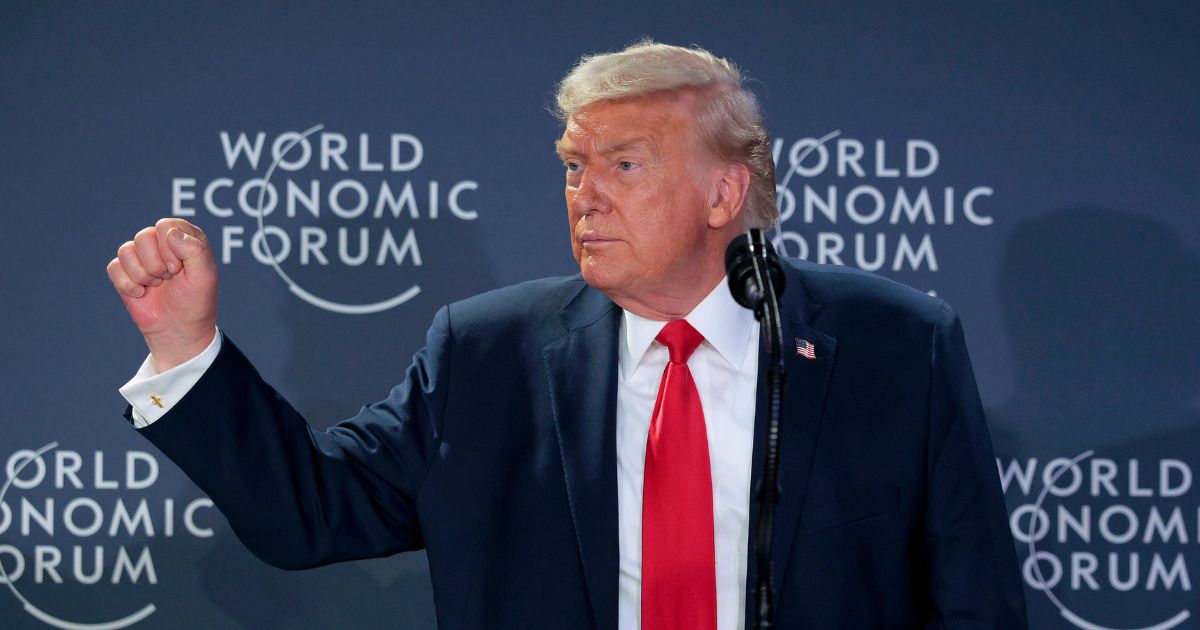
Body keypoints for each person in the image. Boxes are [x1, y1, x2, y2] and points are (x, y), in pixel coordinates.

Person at [107, 41, 1027, 629]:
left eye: (624, 165)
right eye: (574, 166)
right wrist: (190, 347)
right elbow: (311, 512)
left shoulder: (897, 346)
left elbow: (976, 603)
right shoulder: (487, 353)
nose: (585, 194)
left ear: (724, 193)